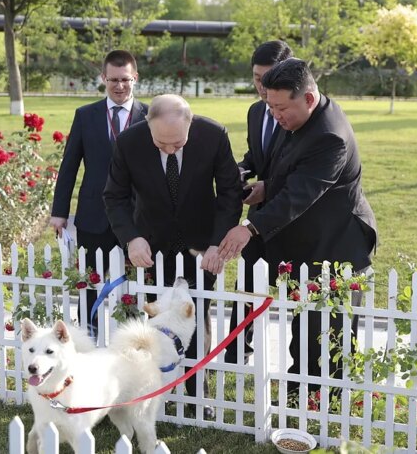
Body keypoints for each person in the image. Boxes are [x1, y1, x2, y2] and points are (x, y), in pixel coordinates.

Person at [217, 58, 377, 394]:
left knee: (325, 334)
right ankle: (300, 390)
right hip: (306, 242)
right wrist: (264, 187)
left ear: (308, 98)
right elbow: (286, 172)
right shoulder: (296, 119)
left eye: (280, 108)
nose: (275, 115)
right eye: (270, 107)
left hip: (336, 246)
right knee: (305, 326)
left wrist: (249, 227)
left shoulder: (329, 136)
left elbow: (300, 195)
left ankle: (324, 399)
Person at [104, 94, 242, 418]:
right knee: (158, 320)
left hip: (201, 246)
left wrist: (216, 243)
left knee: (196, 315)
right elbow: (115, 196)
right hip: (152, 246)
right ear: (147, 126)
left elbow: (229, 194)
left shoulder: (214, 135)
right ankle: (157, 390)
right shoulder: (128, 142)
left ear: (190, 124)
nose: (169, 149)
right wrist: (132, 239)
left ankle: (198, 396)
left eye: (177, 143)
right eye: (161, 143)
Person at [50, 50, 148, 332]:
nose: (119, 86)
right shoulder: (85, 116)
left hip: (135, 217)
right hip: (93, 216)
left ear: (135, 78)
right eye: (113, 80)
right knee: (89, 283)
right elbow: (69, 165)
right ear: (103, 78)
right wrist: (59, 212)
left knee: (131, 283)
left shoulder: (150, 114)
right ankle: (89, 337)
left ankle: (130, 339)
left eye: (125, 80)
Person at [226, 40, 293, 366]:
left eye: (270, 79)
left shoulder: (298, 113)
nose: (263, 88)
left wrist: (269, 188)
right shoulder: (255, 111)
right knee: (245, 289)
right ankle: (237, 353)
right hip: (258, 216)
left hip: (295, 217)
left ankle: (300, 366)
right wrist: (241, 169)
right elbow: (258, 156)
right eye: (257, 78)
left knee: (297, 295)